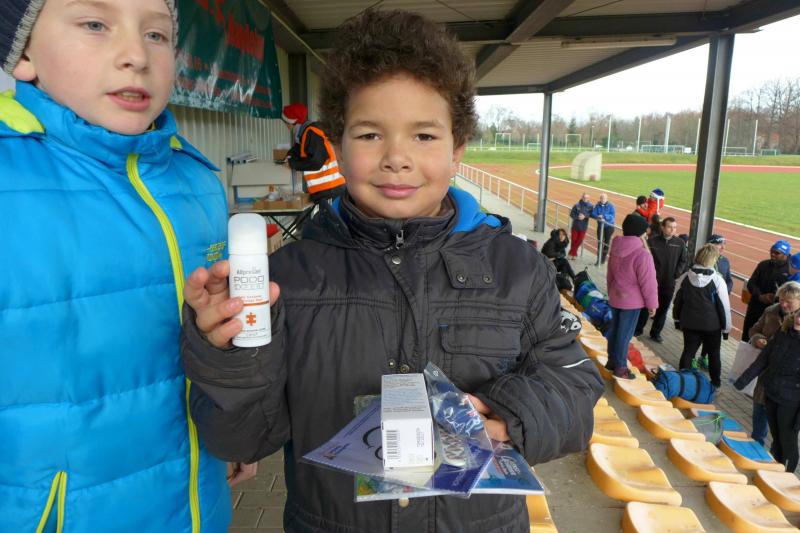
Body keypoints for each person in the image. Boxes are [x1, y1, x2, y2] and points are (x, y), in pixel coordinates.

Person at [180, 10, 604, 532]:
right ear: (338, 146)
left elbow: (573, 385)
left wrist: (514, 414)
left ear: (457, 149)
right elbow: (242, 439)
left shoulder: (518, 269)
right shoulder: (284, 279)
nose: (396, 158)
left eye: (423, 136)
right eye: (369, 135)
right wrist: (227, 355)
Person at [0, 1, 233, 531]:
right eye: (94, 24)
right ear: (22, 53)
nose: (136, 56)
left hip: (196, 501)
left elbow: (216, 345)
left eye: (156, 34)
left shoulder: (196, 180)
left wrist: (230, 428)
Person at [735, 311, 800, 472]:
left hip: (791, 401)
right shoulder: (783, 332)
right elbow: (764, 358)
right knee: (776, 437)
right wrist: (743, 380)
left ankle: (786, 475)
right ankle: (775, 470)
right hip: (771, 393)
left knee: (787, 440)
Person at [747, 281, 800, 445]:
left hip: (788, 389)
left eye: (789, 301)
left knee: (782, 434)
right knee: (759, 420)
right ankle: (756, 449)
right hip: (765, 378)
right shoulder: (770, 311)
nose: (783, 304)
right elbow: (754, 330)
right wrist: (758, 339)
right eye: (781, 299)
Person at [605, 214, 658, 379]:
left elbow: (609, 274)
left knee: (615, 331)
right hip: (632, 302)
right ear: (640, 232)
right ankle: (621, 368)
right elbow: (648, 283)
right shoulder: (643, 254)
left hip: (616, 297)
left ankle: (612, 361)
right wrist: (652, 304)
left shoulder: (615, 247)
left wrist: (611, 293)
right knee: (624, 335)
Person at [673, 244, 732, 389]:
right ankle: (715, 384)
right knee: (714, 355)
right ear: (713, 260)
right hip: (712, 326)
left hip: (689, 323)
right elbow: (724, 307)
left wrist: (677, 319)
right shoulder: (718, 280)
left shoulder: (685, 277)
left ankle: (682, 381)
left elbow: (677, 300)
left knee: (688, 351)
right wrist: (726, 329)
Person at [635, 216, 688, 342]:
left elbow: (683, 260)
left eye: (674, 227)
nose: (672, 230)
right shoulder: (652, 241)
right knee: (645, 307)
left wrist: (676, 274)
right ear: (662, 227)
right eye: (670, 227)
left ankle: (655, 333)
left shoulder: (680, 243)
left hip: (668, 283)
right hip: (651, 282)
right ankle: (638, 330)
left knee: (663, 309)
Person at [282, 102, 346, 203]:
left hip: (330, 188)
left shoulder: (312, 133)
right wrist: (290, 156)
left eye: (286, 123)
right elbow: (298, 149)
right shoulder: (306, 133)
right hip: (327, 189)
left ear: (292, 123)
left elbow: (316, 162)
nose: (286, 126)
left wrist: (292, 164)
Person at [694, 233, 734, 370]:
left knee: (711, 335)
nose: (723, 247)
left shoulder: (725, 261)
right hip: (704, 304)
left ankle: (703, 356)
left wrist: (725, 290)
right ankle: (692, 357)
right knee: (698, 334)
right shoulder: (702, 259)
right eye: (719, 244)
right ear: (710, 245)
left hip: (717, 305)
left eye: (724, 244)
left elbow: (729, 280)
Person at [742, 240, 792, 341]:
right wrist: (760, 296)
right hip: (755, 307)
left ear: (786, 255)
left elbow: (790, 294)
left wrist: (775, 298)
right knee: (747, 335)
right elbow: (751, 283)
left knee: (767, 340)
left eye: (777, 253)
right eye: (771, 251)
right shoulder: (763, 265)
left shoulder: (790, 271)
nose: (773, 254)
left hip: (774, 313)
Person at [591, 192, 615, 263]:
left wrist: (604, 216)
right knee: (600, 243)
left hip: (609, 227)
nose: (602, 199)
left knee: (606, 243)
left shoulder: (611, 206)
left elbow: (612, 217)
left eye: (604, 198)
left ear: (607, 199)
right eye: (601, 198)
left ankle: (603, 259)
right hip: (600, 226)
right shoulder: (597, 205)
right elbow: (593, 213)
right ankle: (598, 259)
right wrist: (598, 216)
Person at [568, 192, 593, 259]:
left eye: (587, 198)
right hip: (575, 226)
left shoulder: (591, 206)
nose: (585, 199)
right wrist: (577, 217)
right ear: (582, 197)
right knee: (573, 240)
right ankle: (574, 254)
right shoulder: (576, 205)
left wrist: (585, 216)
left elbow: (591, 214)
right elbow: (571, 214)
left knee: (579, 241)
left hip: (583, 227)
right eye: (584, 197)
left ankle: (571, 253)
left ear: (588, 198)